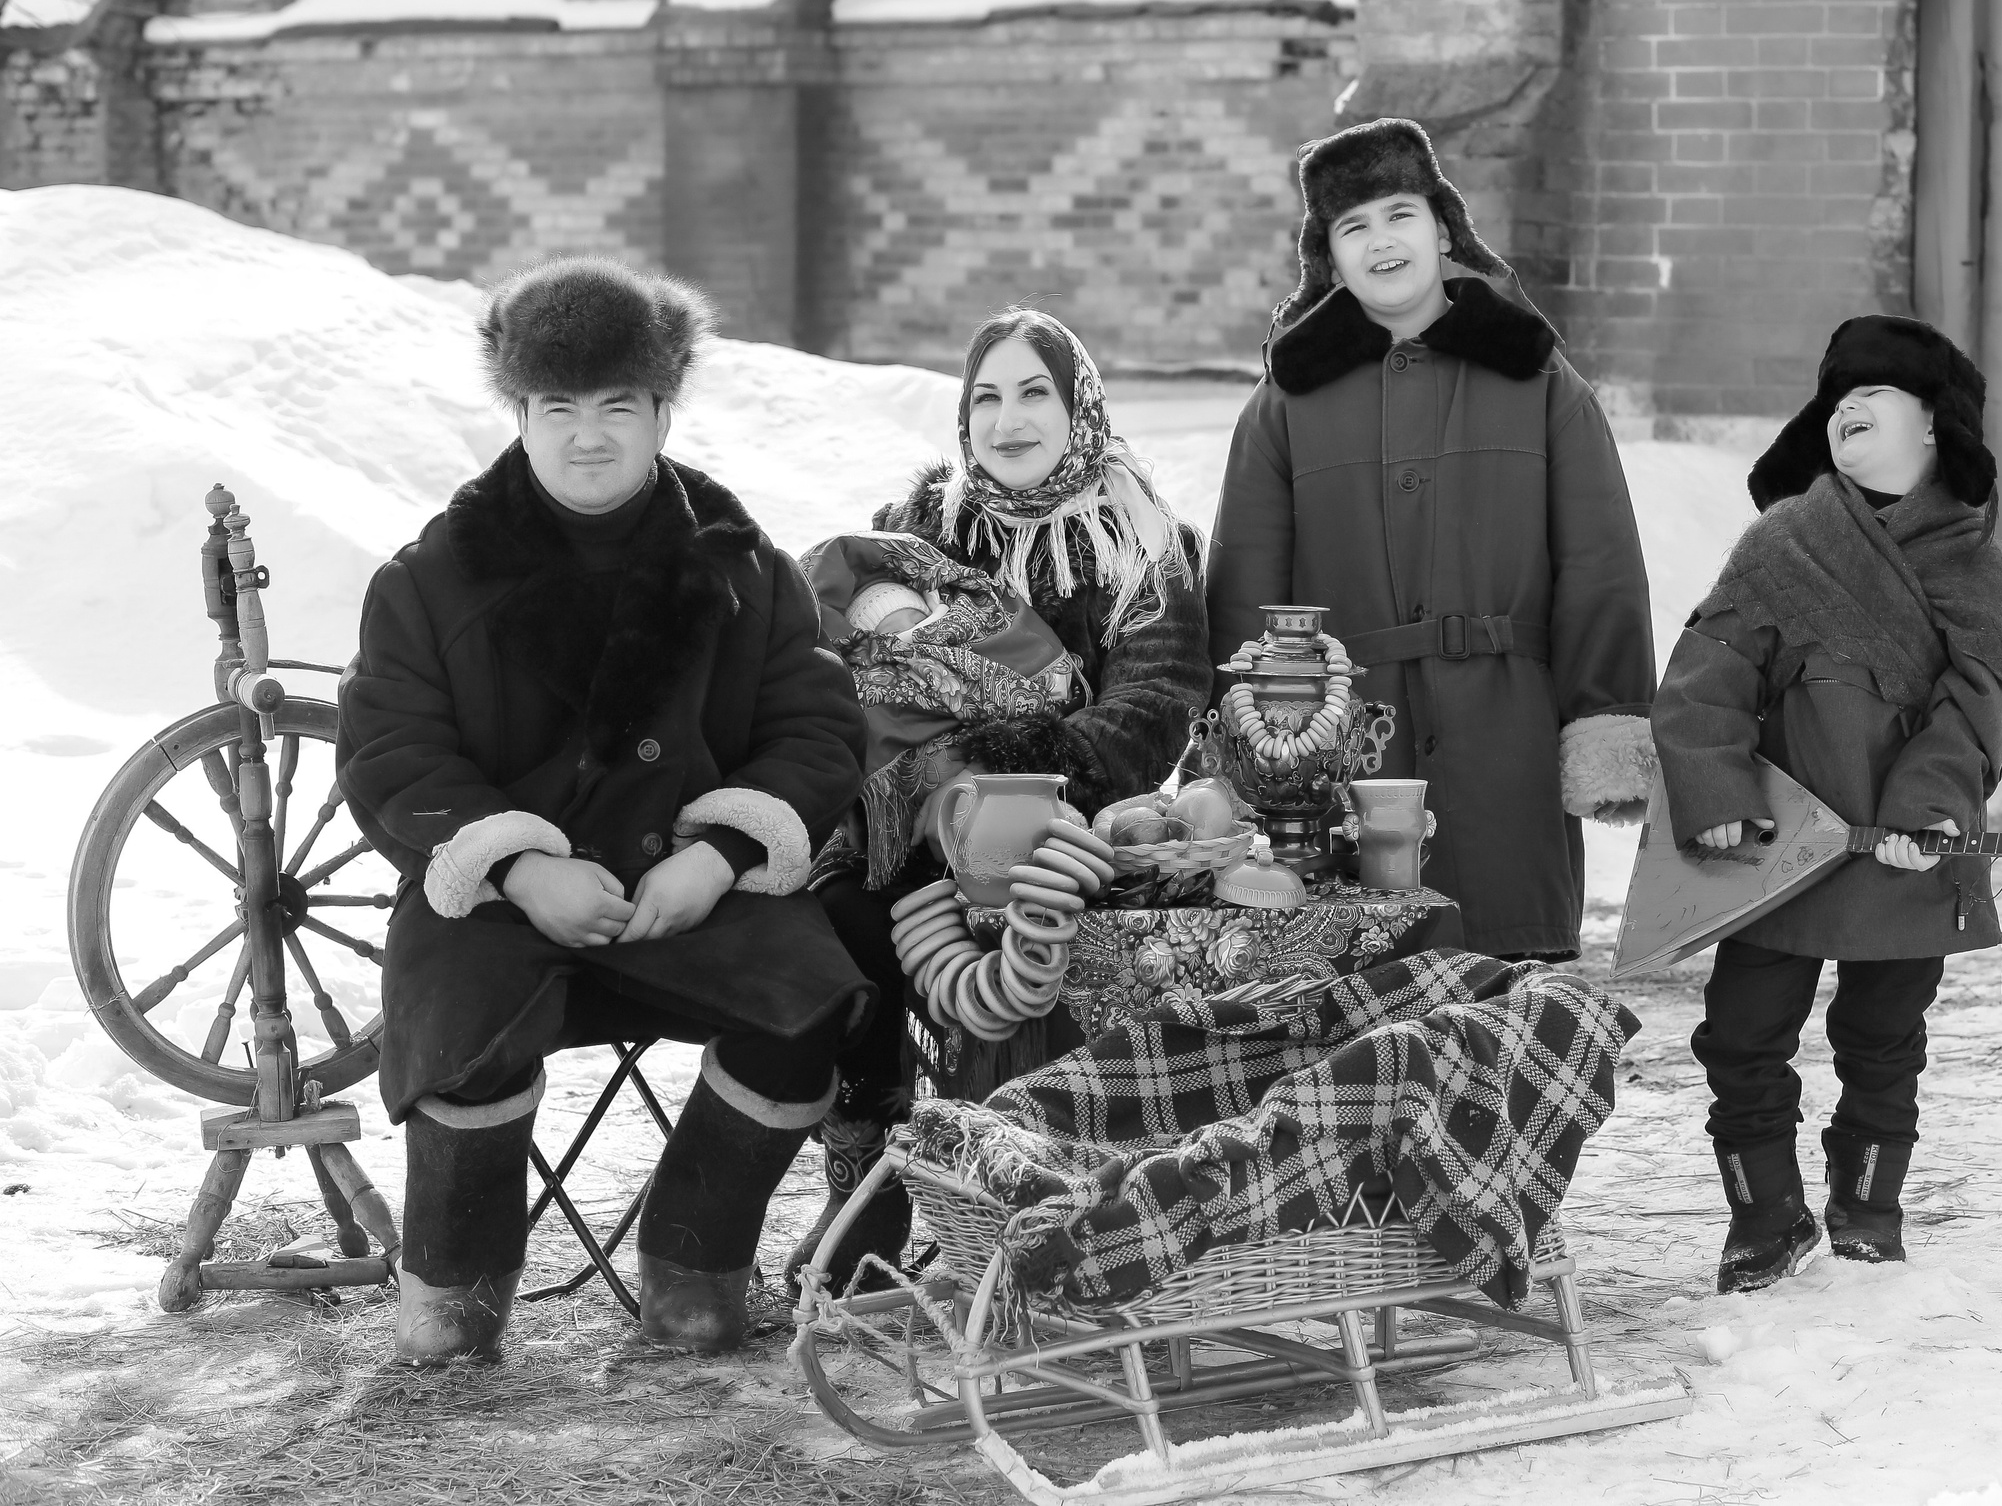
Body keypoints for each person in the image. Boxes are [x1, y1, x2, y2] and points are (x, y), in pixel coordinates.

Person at [336, 258, 872, 1362]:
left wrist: (720, 854)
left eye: (618, 406)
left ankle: (694, 1259)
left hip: (691, 894)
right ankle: (459, 1284)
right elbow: (391, 749)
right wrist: (521, 866)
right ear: (520, 415)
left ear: (663, 411)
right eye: (559, 408)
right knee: (454, 1017)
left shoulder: (742, 564)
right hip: (502, 906)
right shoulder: (430, 577)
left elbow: (816, 728)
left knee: (812, 999)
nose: (589, 436)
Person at [793, 306, 1213, 1290]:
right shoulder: (918, 533)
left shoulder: (1145, 541)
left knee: (1030, 950)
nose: (1007, 419)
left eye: (1034, 394)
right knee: (841, 924)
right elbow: (861, 669)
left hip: (1061, 838)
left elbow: (1153, 709)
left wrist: (999, 766)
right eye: (986, 397)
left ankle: (1038, 1197)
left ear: (1079, 409)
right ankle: (872, 1180)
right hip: (901, 835)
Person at [1206, 117, 1657, 960]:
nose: (1381, 240)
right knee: (1351, 989)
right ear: (1328, 259)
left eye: (1399, 214)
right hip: (1345, 757)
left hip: (1507, 751)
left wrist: (1605, 715)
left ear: (1443, 230)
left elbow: (1600, 563)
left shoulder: (1540, 380)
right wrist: (1249, 757)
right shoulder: (1284, 406)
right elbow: (1244, 592)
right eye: (1353, 227)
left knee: (1510, 994)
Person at [1649, 315, 2002, 1294]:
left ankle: (1867, 1211)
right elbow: (1705, 677)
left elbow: (1977, 707)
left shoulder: (1973, 566)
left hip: (1908, 855)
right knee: (1739, 1033)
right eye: (1837, 395)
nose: (1847, 405)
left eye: (1875, 390)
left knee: (1883, 1041)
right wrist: (1717, 788)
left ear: (1934, 422)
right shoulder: (1783, 544)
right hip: (1782, 851)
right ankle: (1764, 1215)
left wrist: (1928, 808)